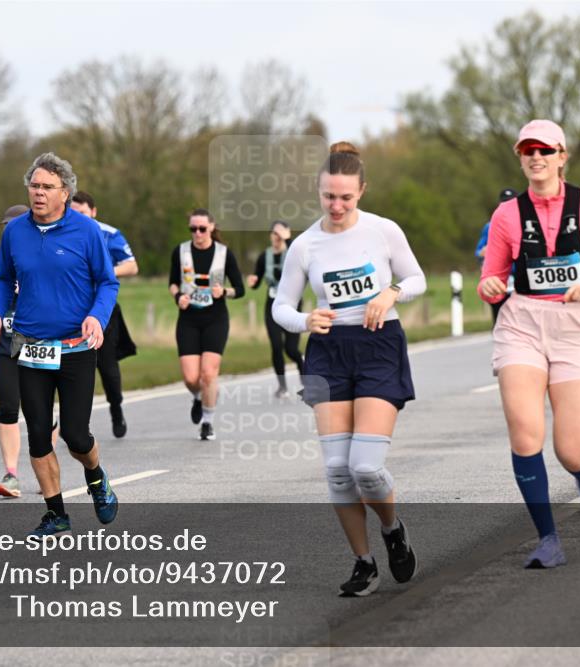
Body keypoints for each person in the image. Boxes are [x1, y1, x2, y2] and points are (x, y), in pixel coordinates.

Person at [272, 142, 424, 596]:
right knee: (338, 471)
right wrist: (305, 320)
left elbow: (417, 278)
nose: (336, 206)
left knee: (366, 468)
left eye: (346, 198)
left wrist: (389, 292)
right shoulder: (304, 245)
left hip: (379, 347)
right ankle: (363, 563)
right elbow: (281, 304)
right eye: (328, 197)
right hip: (328, 352)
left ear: (361, 192)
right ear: (318, 191)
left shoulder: (382, 231)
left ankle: (393, 529)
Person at [478, 119, 580, 568]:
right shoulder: (506, 214)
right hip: (522, 321)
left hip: (577, 324)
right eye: (528, 150)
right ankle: (548, 540)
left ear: (562, 156)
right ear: (520, 156)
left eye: (545, 150)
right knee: (526, 433)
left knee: (569, 447)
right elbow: (493, 274)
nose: (536, 157)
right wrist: (489, 286)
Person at [0, 152, 120, 537]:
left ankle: (95, 475)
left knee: (76, 435)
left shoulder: (87, 232)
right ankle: (55, 512)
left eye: (47, 187)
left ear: (65, 193)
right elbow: (0, 278)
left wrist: (97, 316)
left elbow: (108, 283)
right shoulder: (15, 232)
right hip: (30, 347)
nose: (39, 193)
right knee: (39, 433)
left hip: (76, 347)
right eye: (34, 186)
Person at [0, 204, 58, 499]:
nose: (9, 231)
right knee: (7, 406)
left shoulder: (46, 254)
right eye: (5, 227)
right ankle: (11, 475)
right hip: (7, 344)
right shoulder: (2, 261)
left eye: (14, 225)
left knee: (39, 412)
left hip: (40, 343)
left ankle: (47, 468)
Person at [169, 209, 245, 441]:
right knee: (192, 379)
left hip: (216, 319)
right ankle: (199, 397)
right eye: (193, 229)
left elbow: (240, 290)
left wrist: (224, 291)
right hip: (189, 320)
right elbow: (173, 283)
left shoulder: (224, 254)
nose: (198, 233)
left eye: (202, 228)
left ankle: (208, 422)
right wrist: (178, 297)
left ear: (211, 227)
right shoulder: (181, 251)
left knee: (208, 374)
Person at [69, 191, 139, 438]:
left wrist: (106, 272)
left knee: (107, 369)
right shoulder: (62, 232)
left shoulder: (108, 233)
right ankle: (77, 423)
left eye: (83, 214)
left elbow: (132, 265)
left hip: (102, 310)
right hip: (70, 312)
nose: (78, 218)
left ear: (94, 212)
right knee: (75, 368)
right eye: (74, 213)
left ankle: (116, 408)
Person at [247, 220, 304, 398]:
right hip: (272, 305)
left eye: (281, 234)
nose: (277, 237)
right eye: (274, 233)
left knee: (291, 349)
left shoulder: (293, 253)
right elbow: (257, 279)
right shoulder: (265, 256)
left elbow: (298, 252)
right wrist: (253, 282)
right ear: (270, 235)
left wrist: (288, 239)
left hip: (293, 304)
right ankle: (282, 387)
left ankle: (306, 378)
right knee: (276, 346)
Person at [476, 189, 519, 325]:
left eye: (511, 202)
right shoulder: (490, 226)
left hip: (519, 280)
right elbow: (479, 250)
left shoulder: (527, 224)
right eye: (504, 203)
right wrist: (482, 252)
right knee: (499, 319)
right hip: (499, 281)